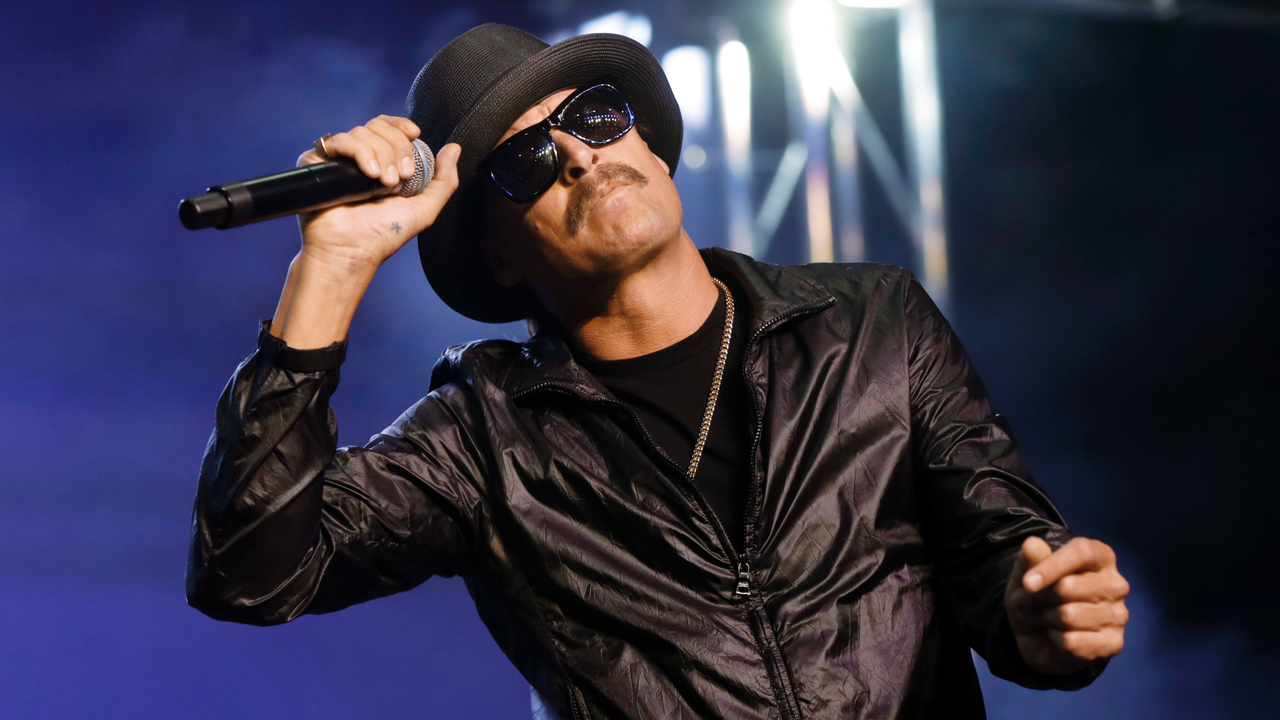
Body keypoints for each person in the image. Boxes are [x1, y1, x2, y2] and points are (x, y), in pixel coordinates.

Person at [186, 23, 1130, 720]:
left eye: (596, 117)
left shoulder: (871, 321)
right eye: (525, 162)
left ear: (652, 148)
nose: (580, 156)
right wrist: (332, 267)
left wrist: (1040, 613)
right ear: (499, 256)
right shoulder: (481, 433)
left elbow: (1004, 549)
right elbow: (250, 574)